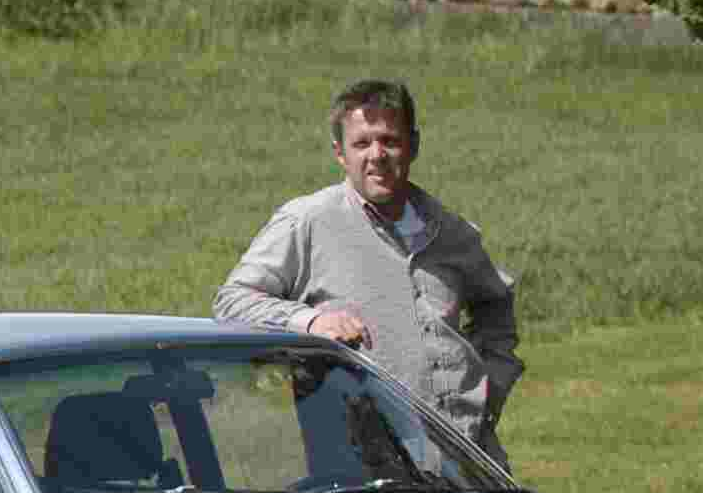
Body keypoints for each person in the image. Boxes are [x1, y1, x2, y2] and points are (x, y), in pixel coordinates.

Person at [215, 77, 523, 463]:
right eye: (361, 143)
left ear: (413, 146)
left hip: (467, 458)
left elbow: (496, 305)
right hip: (361, 466)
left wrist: (490, 386)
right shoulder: (307, 222)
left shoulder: (451, 231)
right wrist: (309, 321)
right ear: (340, 154)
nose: (376, 154)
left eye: (389, 140)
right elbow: (232, 301)